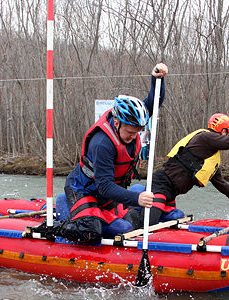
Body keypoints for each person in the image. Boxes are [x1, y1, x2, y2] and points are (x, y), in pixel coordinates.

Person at [58, 63, 168, 243]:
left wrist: (157, 79)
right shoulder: (102, 144)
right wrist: (136, 199)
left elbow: (153, 104)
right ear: (116, 123)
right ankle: (66, 209)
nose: (133, 137)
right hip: (84, 190)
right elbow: (104, 186)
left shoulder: (130, 122)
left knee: (142, 192)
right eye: (130, 133)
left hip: (107, 195)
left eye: (137, 132)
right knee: (102, 231)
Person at [133, 113, 229, 228]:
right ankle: (128, 220)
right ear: (222, 131)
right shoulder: (206, 138)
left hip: (171, 193)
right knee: (149, 223)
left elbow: (218, 181)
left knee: (170, 221)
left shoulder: (211, 154)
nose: (226, 136)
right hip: (161, 185)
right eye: (227, 133)